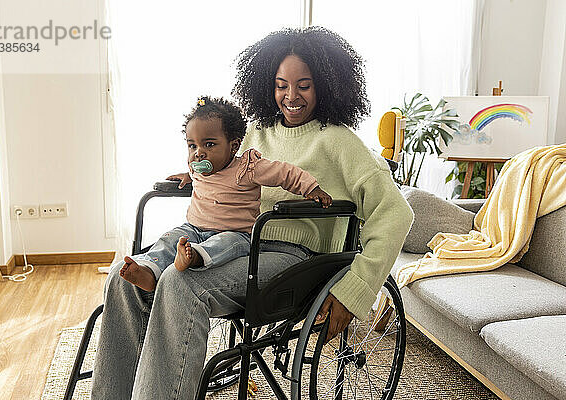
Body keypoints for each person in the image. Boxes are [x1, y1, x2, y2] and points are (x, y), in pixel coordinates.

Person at [90, 26, 413, 400]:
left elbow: (396, 214)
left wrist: (354, 291)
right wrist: (194, 175)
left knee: (182, 284)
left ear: (325, 83)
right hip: (238, 243)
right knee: (123, 276)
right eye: (281, 84)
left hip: (296, 260)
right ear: (267, 85)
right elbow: (222, 165)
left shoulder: (341, 142)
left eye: (303, 84)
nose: (291, 96)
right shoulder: (256, 130)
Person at [119, 95, 332, 293]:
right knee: (170, 239)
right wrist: (187, 175)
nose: (198, 152)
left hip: (235, 233)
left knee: (225, 245)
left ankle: (195, 258)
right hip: (193, 228)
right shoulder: (197, 167)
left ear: (234, 146)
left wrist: (310, 188)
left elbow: (285, 173)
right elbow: (196, 175)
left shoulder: (247, 168)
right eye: (192, 145)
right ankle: (148, 270)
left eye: (209, 144)